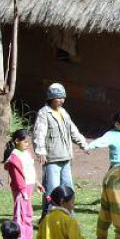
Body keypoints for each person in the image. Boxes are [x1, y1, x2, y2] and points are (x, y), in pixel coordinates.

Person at [33, 83, 89, 217]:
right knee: (52, 189)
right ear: (51, 98)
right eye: (58, 97)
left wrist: (83, 144)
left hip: (65, 157)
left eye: (63, 97)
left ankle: (69, 215)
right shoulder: (44, 113)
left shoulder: (63, 112)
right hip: (52, 159)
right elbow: (39, 133)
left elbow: (73, 130)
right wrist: (40, 150)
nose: (62, 100)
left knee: (68, 187)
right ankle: (48, 217)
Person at [3, 129, 44, 239]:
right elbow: (17, 176)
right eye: (25, 142)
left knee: (28, 213)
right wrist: (22, 191)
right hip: (21, 190)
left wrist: (37, 182)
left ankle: (28, 238)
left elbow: (30, 170)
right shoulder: (14, 157)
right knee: (20, 214)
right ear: (16, 141)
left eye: (28, 142)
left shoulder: (26, 153)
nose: (27, 144)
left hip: (29, 186)